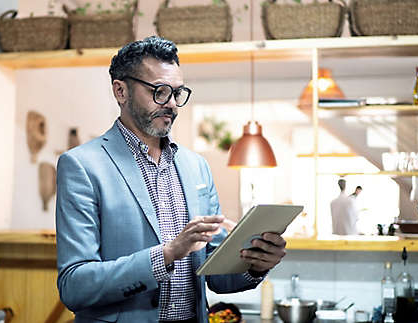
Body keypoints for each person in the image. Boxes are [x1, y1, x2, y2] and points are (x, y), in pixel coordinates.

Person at [55, 36, 288, 323]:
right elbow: (74, 287)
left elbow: (216, 277)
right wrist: (167, 254)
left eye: (178, 93)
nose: (172, 105)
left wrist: (255, 264)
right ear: (121, 91)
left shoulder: (196, 167)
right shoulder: (82, 166)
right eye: (160, 92)